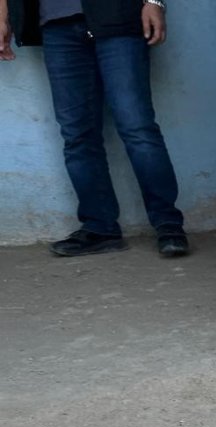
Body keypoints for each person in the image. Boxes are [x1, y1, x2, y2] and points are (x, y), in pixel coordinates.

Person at [0, 0, 189, 257]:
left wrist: (155, 2)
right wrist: (3, 12)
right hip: (56, 25)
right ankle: (100, 228)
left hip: (118, 17)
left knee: (137, 127)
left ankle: (169, 225)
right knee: (77, 134)